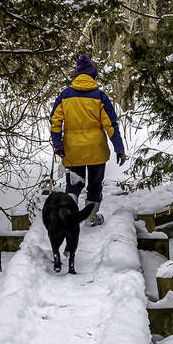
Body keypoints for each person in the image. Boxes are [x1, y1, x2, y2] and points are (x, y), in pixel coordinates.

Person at [49, 53, 126, 226]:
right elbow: (111, 125)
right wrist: (119, 148)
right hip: (96, 151)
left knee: (74, 185)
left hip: (73, 150)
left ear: (77, 75)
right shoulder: (100, 96)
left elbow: (55, 121)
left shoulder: (64, 96)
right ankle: (90, 218)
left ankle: (69, 217)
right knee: (94, 185)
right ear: (93, 76)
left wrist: (57, 144)